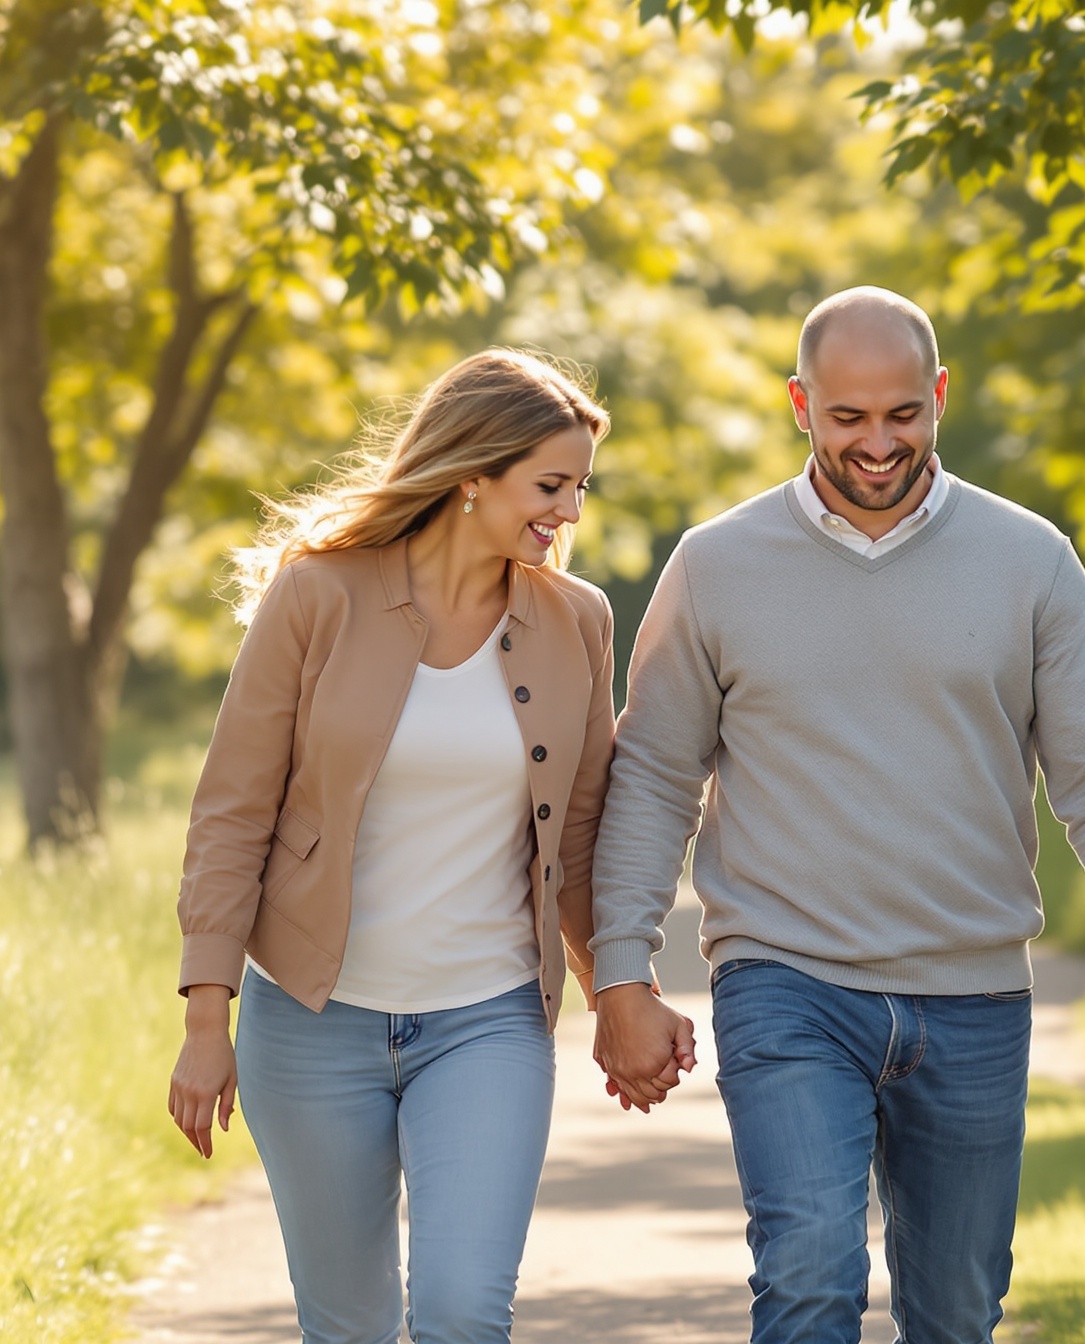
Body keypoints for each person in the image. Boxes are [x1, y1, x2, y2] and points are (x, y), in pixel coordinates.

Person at [586, 285, 1085, 1344]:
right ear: (799, 404)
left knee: (957, 1311)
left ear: (939, 395)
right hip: (783, 980)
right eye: (848, 416)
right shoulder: (718, 565)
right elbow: (651, 774)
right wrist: (620, 970)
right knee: (809, 1277)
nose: (878, 443)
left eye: (903, 413)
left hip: (969, 994)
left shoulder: (1029, 560)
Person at [163, 349, 619, 1344]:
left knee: (462, 1311)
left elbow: (579, 834)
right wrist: (208, 1019)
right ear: (471, 474)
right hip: (312, 1025)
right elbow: (233, 812)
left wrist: (616, 992)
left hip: (486, 1022)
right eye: (549, 486)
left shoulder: (575, 621)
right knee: (350, 1328)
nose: (569, 513)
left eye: (580, 487)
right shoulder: (317, 596)